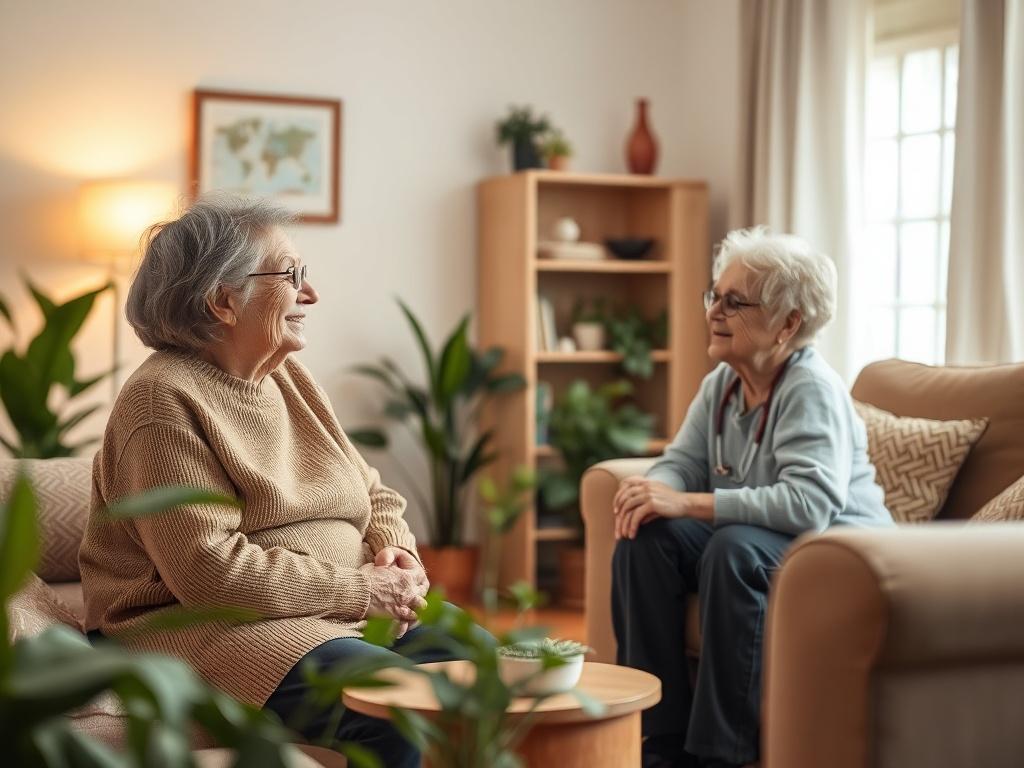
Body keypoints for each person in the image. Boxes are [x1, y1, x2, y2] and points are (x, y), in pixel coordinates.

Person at [79, 196, 438, 767]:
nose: (311, 295)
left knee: (491, 672)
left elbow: (370, 488)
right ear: (223, 300)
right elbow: (209, 573)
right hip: (206, 628)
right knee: (394, 709)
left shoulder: (288, 375)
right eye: (293, 276)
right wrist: (360, 588)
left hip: (332, 614)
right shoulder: (161, 400)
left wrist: (393, 546)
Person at [611, 227, 893, 768]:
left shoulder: (811, 389)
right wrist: (657, 491)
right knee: (646, 537)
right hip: (769, 542)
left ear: (788, 324)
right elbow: (683, 461)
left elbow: (809, 505)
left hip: (841, 553)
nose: (715, 310)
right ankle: (657, 741)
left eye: (735, 301)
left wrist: (690, 504)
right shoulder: (722, 383)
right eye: (715, 295)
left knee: (733, 549)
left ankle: (724, 752)